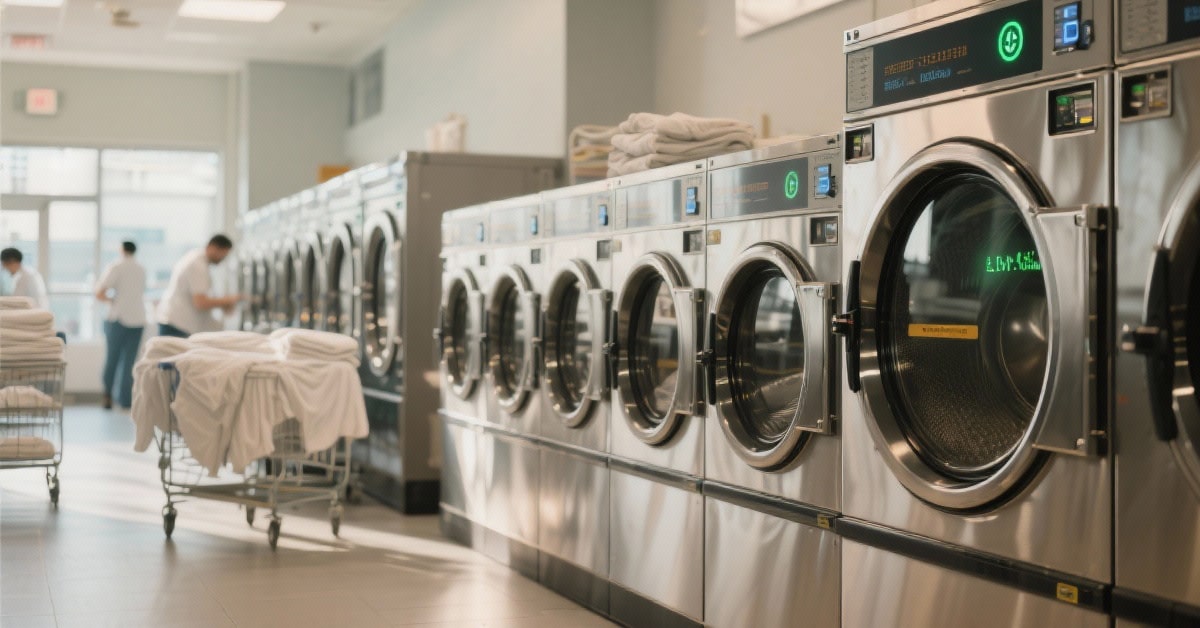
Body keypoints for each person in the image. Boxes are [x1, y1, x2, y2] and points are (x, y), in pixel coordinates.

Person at [156, 234, 241, 338]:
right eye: (224, 254)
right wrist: (228, 301)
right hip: (177, 326)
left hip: (176, 323)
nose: (223, 259)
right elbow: (200, 302)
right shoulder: (197, 265)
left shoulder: (197, 259)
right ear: (214, 247)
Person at [95, 241, 147, 410]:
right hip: (138, 319)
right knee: (130, 362)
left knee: (112, 359)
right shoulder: (141, 269)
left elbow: (100, 292)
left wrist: (113, 300)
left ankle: (107, 397)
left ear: (121, 250)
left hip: (118, 318)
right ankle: (125, 400)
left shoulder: (116, 266)